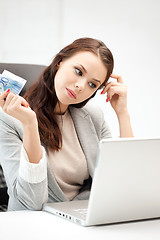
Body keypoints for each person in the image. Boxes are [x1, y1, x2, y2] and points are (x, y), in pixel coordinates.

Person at [0, 37, 133, 211]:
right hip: (34, 224)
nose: (80, 86)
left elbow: (124, 181)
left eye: (92, 84)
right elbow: (30, 203)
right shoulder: (9, 118)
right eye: (78, 71)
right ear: (60, 63)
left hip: (84, 217)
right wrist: (30, 125)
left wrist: (122, 113)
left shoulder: (93, 117)